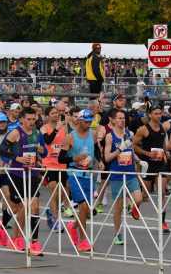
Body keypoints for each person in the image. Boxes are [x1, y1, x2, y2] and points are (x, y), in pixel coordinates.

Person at [0, 107, 47, 255]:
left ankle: (34, 242)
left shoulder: (38, 133)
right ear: (22, 120)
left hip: (32, 174)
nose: (32, 122)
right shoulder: (15, 133)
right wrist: (17, 158)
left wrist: (40, 151)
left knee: (34, 207)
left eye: (34, 119)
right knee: (19, 209)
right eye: (29, 119)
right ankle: (14, 236)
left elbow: (45, 151)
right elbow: (2, 150)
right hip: (17, 175)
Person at [60, 108, 100, 252]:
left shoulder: (93, 134)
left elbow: (97, 150)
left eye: (90, 121)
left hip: (89, 175)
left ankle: (74, 226)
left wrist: (100, 161)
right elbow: (61, 158)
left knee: (87, 211)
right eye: (86, 121)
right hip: (74, 174)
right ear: (79, 121)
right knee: (83, 207)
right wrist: (74, 158)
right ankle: (83, 240)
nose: (89, 124)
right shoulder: (70, 137)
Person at [104, 109, 143, 245]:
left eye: (124, 118)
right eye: (119, 118)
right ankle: (117, 234)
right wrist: (119, 149)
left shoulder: (129, 134)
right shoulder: (110, 136)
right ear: (113, 120)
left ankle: (133, 207)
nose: (122, 120)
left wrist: (138, 160)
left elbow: (131, 150)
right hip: (117, 174)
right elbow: (107, 157)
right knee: (118, 208)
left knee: (139, 198)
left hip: (130, 172)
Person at [133, 105, 170, 233]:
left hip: (160, 163)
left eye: (160, 113)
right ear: (150, 115)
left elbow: (163, 144)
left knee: (162, 192)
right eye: (156, 113)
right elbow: (134, 145)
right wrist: (147, 153)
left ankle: (163, 222)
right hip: (148, 164)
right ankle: (135, 206)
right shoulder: (143, 129)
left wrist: (166, 154)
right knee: (145, 194)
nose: (159, 116)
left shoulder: (163, 128)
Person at [40, 105, 69, 232]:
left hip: (61, 165)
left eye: (57, 113)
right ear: (47, 116)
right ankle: (56, 219)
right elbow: (47, 140)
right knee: (54, 190)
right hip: (48, 164)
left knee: (63, 193)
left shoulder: (64, 128)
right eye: (53, 113)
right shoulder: (43, 128)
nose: (56, 115)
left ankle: (50, 210)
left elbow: (66, 144)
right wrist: (56, 130)